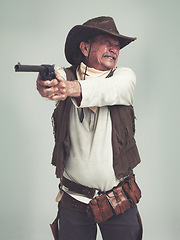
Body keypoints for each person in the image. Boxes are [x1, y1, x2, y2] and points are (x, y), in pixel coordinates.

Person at [36, 16, 142, 240]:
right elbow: (55, 81)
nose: (114, 49)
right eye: (107, 43)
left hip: (118, 199)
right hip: (73, 200)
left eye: (117, 46)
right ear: (85, 47)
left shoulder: (124, 77)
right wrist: (46, 84)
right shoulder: (66, 76)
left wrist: (70, 88)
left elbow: (108, 89)